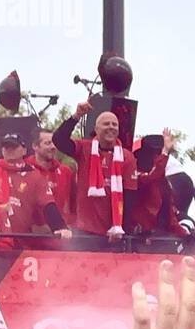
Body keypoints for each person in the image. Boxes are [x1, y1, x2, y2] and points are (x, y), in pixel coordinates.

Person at [52, 103, 137, 242]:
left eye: (114, 125)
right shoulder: (84, 148)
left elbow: (129, 197)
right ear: (96, 129)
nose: (111, 127)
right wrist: (76, 116)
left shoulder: (127, 157)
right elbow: (58, 140)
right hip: (84, 232)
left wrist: (122, 230)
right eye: (106, 124)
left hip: (113, 233)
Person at [31, 127, 75, 218]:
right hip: (32, 230)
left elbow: (74, 204)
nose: (53, 147)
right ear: (35, 146)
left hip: (61, 229)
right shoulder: (25, 169)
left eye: (54, 143)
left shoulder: (66, 171)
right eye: (48, 143)